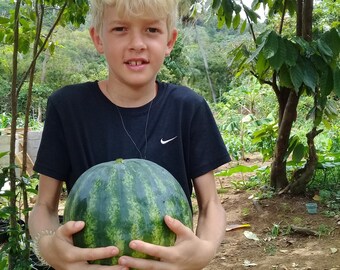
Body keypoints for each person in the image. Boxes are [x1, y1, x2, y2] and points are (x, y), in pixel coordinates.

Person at [28, 0, 231, 269]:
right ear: (98, 39)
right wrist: (48, 247)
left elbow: (211, 205)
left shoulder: (188, 107)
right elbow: (44, 206)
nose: (137, 43)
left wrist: (204, 251)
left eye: (151, 30)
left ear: (170, 41)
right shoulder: (67, 108)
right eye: (121, 29)